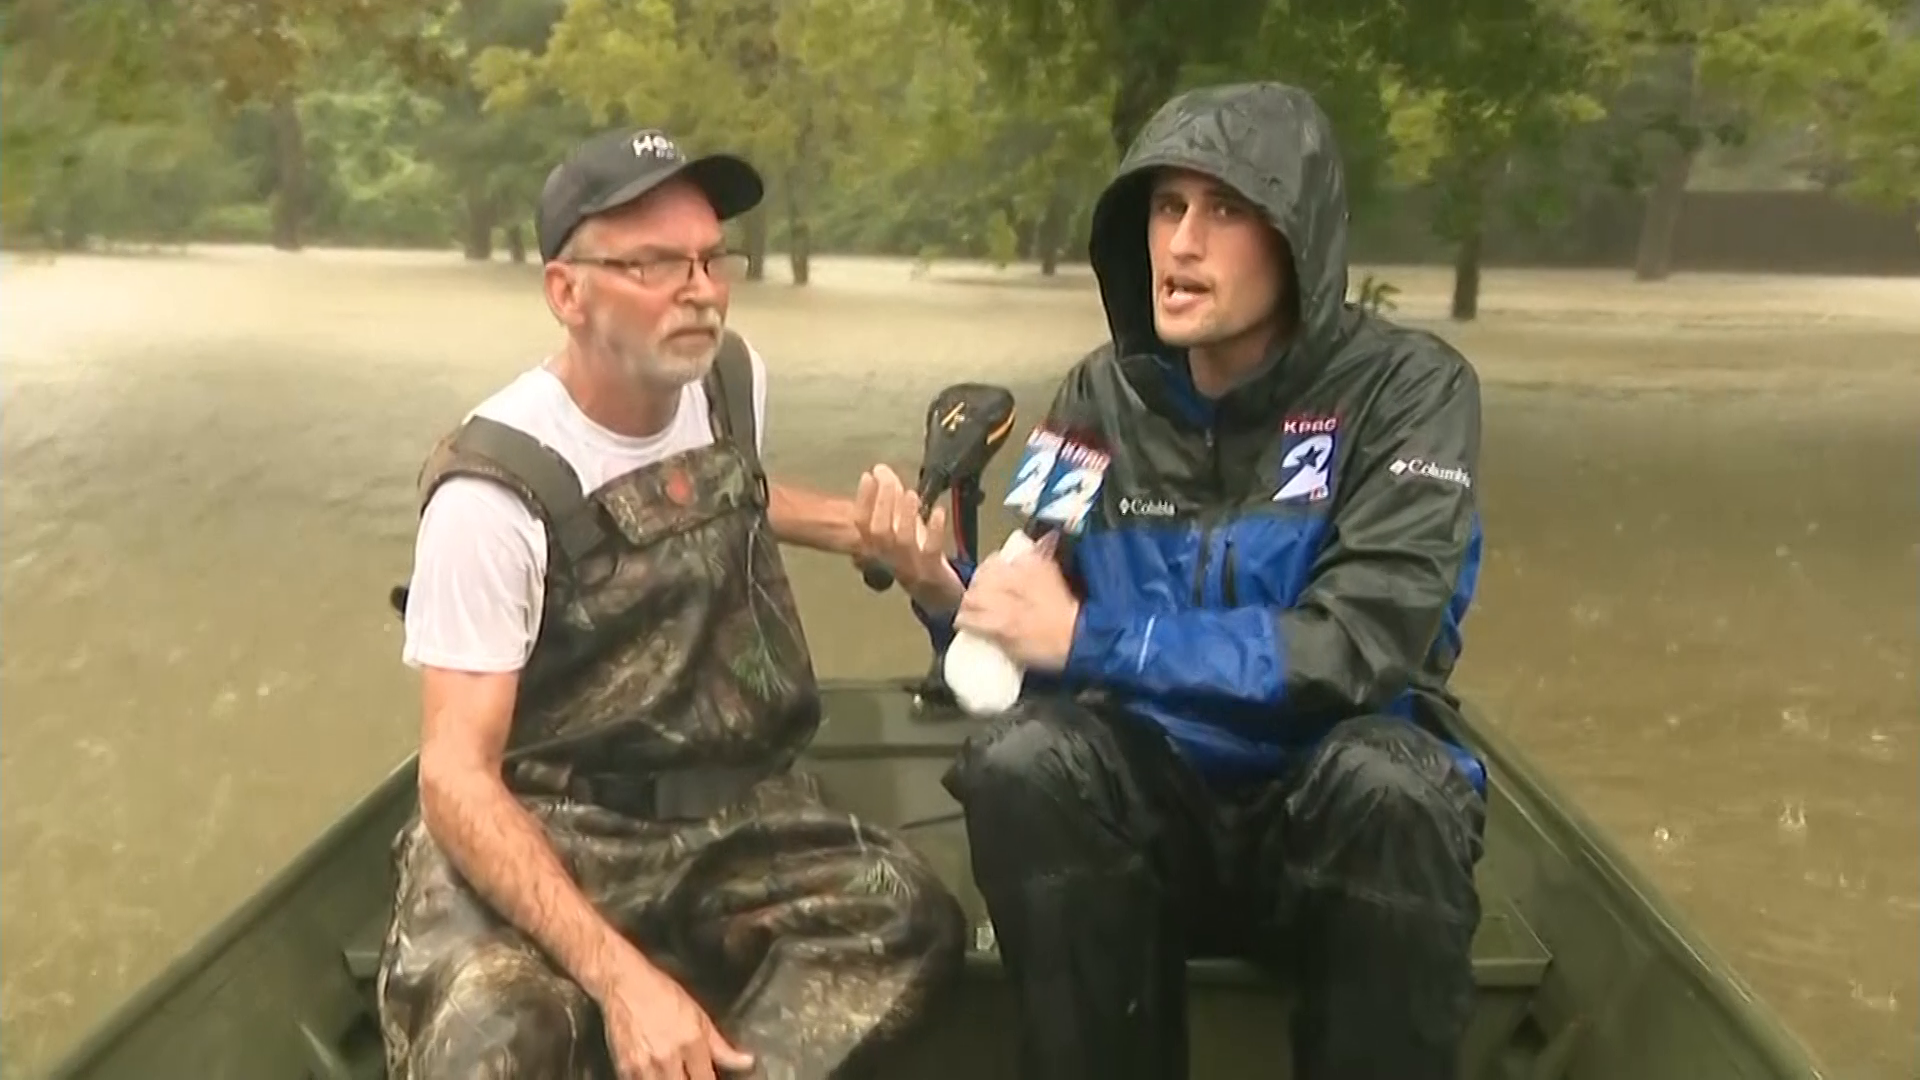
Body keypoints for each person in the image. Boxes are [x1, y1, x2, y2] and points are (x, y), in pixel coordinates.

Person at [855, 82, 1488, 1080]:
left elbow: (1361, 645)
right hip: (1152, 829)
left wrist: (1098, 642)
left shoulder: (1414, 392)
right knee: (1024, 761)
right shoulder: (1095, 395)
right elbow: (1027, 629)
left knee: (1394, 784)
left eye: (1226, 211)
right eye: (1165, 208)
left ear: (1299, 240)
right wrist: (946, 595)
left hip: (1329, 828)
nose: (1182, 243)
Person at [377, 127, 966, 1080]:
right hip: (547, 819)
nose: (698, 287)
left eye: (708, 256)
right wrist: (620, 980)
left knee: (911, 919)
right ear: (566, 293)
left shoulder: (729, 380)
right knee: (497, 1042)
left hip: (728, 816)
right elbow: (455, 778)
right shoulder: (492, 491)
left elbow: (725, 490)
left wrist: (868, 533)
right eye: (653, 264)